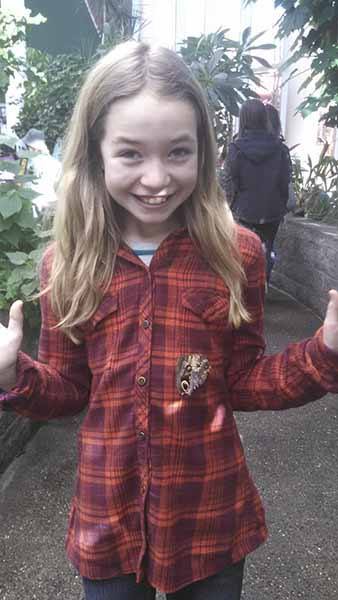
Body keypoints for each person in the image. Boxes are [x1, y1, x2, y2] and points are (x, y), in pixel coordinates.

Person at [0, 41, 338, 600]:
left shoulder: (238, 254)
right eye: (131, 154)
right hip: (109, 517)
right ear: (95, 153)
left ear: (204, 152)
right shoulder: (68, 265)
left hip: (210, 515)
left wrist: (324, 353)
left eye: (178, 152)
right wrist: (15, 376)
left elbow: (245, 380)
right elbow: (67, 391)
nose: (156, 178)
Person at [224, 98, 291, 283]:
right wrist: (282, 205)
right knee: (267, 248)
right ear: (264, 118)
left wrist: (230, 205)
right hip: (272, 209)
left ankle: (245, 289)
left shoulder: (236, 148)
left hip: (244, 209)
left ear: (243, 119)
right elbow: (285, 180)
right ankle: (263, 287)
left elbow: (230, 180)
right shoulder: (280, 149)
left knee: (243, 250)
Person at [21, 128, 61, 212]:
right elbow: (58, 187)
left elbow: (20, 183)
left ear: (32, 147)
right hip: (51, 205)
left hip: (33, 206)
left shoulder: (26, 162)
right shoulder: (56, 163)